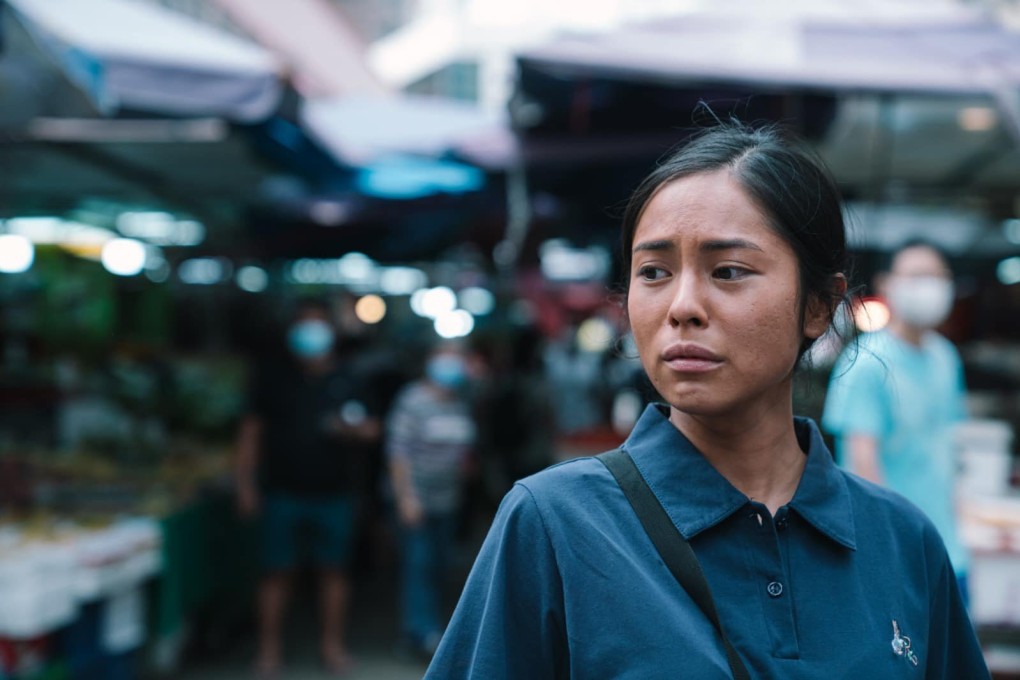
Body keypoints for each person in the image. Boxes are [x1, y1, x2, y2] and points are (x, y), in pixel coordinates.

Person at [425, 123, 989, 678]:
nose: (682, 306)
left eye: (729, 271)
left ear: (819, 306)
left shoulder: (904, 542)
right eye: (654, 272)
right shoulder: (556, 524)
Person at [235, 297, 382, 677]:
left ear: (332, 333)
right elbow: (250, 434)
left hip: (335, 492)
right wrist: (246, 484)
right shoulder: (272, 379)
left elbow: (374, 430)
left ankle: (332, 647)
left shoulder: (350, 379)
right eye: (304, 325)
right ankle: (269, 651)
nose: (311, 333)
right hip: (281, 491)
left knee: (334, 572)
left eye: (319, 324)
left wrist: (352, 431)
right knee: (276, 572)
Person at [823, 240, 971, 600]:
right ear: (887, 283)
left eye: (937, 276)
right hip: (897, 552)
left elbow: (949, 447)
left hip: (950, 548)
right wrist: (887, 552)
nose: (929, 286)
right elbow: (863, 468)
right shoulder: (867, 362)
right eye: (917, 275)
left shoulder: (944, 357)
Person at [386, 341, 477, 659]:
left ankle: (431, 630)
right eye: (446, 358)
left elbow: (465, 449)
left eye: (457, 359)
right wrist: (406, 496)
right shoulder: (412, 400)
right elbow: (398, 452)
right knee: (419, 566)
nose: (451, 366)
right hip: (416, 501)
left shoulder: (459, 402)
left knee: (440, 567)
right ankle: (421, 634)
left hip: (448, 501)